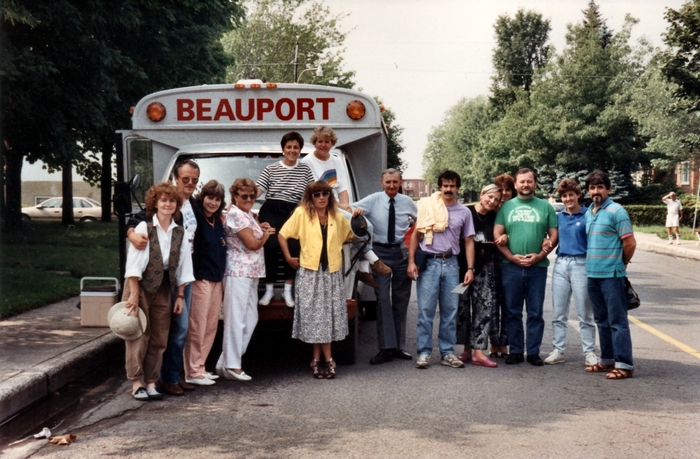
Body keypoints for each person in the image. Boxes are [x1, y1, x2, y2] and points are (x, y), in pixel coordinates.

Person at [127, 160, 200, 396]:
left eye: (171, 201)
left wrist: (180, 295)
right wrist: (134, 295)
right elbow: (133, 265)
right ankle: (136, 383)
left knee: (160, 337)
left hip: (165, 289)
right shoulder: (143, 228)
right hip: (140, 286)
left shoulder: (180, 231)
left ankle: (151, 382)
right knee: (139, 335)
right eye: (163, 200)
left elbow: (183, 267)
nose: (168, 204)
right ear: (155, 203)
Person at [279, 181, 360, 379]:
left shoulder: (337, 216)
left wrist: (357, 219)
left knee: (325, 318)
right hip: (310, 272)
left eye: (325, 193)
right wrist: (289, 257)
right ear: (310, 197)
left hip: (331, 273)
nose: (321, 197)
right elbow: (282, 234)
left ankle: (317, 360)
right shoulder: (301, 214)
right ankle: (328, 360)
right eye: (317, 194)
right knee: (317, 318)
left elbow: (352, 235)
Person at [301, 125, 391, 279]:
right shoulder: (307, 162)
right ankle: (372, 261)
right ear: (314, 142)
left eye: (327, 142)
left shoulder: (336, 160)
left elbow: (342, 187)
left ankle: (363, 268)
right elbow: (316, 192)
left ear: (332, 143)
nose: (323, 145)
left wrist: (347, 206)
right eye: (320, 141)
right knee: (361, 226)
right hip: (321, 206)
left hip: (337, 206)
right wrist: (340, 206)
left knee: (366, 226)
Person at [408, 170, 475, 370]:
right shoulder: (428, 207)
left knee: (450, 311)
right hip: (429, 264)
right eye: (445, 185)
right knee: (425, 310)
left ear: (457, 188)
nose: (448, 189)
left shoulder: (464, 212)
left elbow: (469, 241)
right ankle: (424, 352)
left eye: (452, 186)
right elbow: (415, 236)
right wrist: (411, 262)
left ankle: (447, 352)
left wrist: (470, 268)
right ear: (440, 187)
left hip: (452, 265)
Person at [352, 168, 418, 365]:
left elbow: (420, 222)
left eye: (395, 182)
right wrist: (356, 213)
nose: (391, 186)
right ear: (382, 183)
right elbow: (349, 209)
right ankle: (385, 348)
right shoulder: (373, 199)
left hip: (400, 253)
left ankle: (398, 347)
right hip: (379, 252)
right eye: (388, 182)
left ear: (400, 183)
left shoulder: (408, 202)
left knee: (401, 299)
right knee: (382, 299)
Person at [494, 168, 558, 366]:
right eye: (522, 182)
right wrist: (512, 258)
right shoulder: (506, 208)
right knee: (512, 311)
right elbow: (498, 236)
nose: (525, 185)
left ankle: (532, 352)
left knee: (535, 312)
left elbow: (554, 235)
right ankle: (515, 350)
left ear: (535, 184)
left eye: (529, 181)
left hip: (537, 268)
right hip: (510, 267)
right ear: (515, 185)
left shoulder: (545, 207)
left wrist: (539, 255)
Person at [216, 178, 275, 381]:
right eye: (244, 196)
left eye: (252, 196)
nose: (249, 199)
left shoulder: (247, 214)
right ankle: (233, 365)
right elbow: (252, 244)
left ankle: (225, 362)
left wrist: (260, 226)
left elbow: (252, 233)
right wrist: (266, 234)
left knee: (250, 318)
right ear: (235, 197)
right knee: (236, 320)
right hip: (237, 272)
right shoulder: (236, 215)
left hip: (251, 272)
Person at [584, 170, 636, 380]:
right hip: (593, 275)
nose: (596, 191)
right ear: (588, 191)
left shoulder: (617, 212)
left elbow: (630, 243)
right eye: (592, 188)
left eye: (600, 187)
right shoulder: (589, 212)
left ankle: (624, 365)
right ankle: (607, 360)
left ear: (608, 189)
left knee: (617, 321)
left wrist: (621, 263)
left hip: (612, 276)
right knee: (602, 320)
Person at [256, 131, 315, 307]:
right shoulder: (271, 169)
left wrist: (301, 206)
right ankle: (269, 290)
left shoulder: (305, 169)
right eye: (289, 147)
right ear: (283, 149)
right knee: (271, 245)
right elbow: (257, 190)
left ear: (300, 150)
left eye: (295, 147)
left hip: (294, 211)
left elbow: (310, 193)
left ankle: (288, 291)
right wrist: (237, 202)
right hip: (272, 209)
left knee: (294, 246)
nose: (292, 150)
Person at [544, 178, 597, 367]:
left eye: (571, 195)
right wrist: (545, 243)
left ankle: (590, 352)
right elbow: (552, 238)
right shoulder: (559, 217)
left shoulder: (588, 215)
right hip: (561, 264)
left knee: (585, 312)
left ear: (578, 195)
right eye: (564, 196)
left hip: (581, 264)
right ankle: (558, 350)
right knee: (559, 312)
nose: (568, 199)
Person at [183, 180, 227, 386]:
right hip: (201, 278)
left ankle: (201, 367)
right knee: (197, 326)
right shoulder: (197, 218)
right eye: (210, 197)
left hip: (217, 279)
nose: (213, 202)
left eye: (217, 199)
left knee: (210, 326)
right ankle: (191, 370)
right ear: (203, 198)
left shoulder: (218, 221)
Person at [456, 184, 502, 368]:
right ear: (482, 195)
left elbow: (501, 233)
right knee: (462, 309)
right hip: (462, 269)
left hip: (486, 268)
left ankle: (479, 352)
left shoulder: (497, 216)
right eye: (489, 197)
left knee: (483, 308)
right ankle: (466, 349)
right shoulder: (466, 212)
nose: (492, 201)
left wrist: (504, 236)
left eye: (496, 199)